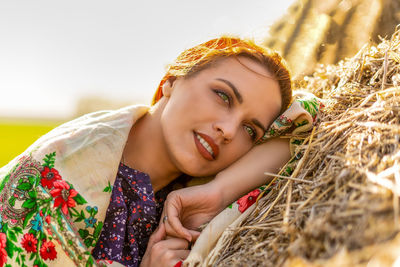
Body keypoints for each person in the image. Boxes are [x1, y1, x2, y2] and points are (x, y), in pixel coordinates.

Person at [0, 36, 319, 267]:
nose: (229, 130)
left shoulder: (179, 195)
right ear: (171, 80)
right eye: (223, 96)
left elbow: (311, 121)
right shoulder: (66, 165)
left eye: (251, 130)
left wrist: (220, 192)